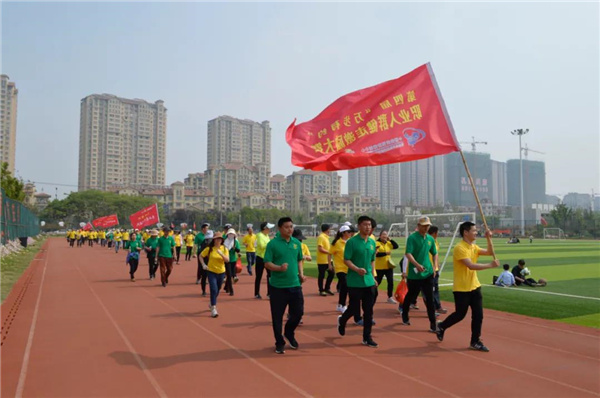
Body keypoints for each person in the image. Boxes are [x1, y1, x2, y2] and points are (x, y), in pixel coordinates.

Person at [436, 221, 500, 352]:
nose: (476, 232)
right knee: (460, 314)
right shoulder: (460, 248)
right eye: (474, 231)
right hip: (462, 288)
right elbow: (470, 265)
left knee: (478, 315)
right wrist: (490, 266)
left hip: (475, 286)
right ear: (466, 232)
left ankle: (475, 341)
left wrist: (489, 239)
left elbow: (489, 252)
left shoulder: (473, 247)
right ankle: (442, 326)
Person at [264, 217, 306, 354]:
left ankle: (288, 332)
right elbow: (267, 263)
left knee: (298, 313)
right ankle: (279, 342)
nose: (290, 229)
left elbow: (299, 259)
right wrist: (278, 268)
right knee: (277, 317)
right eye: (287, 227)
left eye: (291, 226)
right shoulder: (273, 244)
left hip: (295, 285)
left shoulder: (296, 243)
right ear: (280, 228)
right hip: (278, 287)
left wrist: (301, 274)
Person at [337, 215, 379, 348]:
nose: (368, 227)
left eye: (369, 225)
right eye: (365, 224)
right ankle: (342, 320)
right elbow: (346, 259)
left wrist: (373, 276)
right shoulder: (352, 242)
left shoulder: (372, 242)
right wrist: (356, 269)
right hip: (355, 281)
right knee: (354, 308)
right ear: (359, 226)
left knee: (368, 310)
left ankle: (367, 337)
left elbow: (372, 260)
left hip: (368, 281)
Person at [400, 216, 438, 332]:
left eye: (428, 226)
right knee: (411, 295)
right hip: (415, 274)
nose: (426, 228)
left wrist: (435, 266)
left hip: (428, 274)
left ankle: (433, 323)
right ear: (418, 226)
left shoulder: (430, 239)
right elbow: (408, 254)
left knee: (430, 298)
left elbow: (434, 253)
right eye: (424, 225)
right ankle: (405, 313)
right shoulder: (412, 238)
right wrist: (416, 264)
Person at [200, 231, 229, 318]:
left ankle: (211, 302)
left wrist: (222, 254)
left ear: (222, 240)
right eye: (216, 239)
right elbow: (200, 256)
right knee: (213, 289)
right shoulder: (209, 249)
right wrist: (203, 265)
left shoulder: (224, 249)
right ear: (214, 240)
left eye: (220, 239)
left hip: (221, 272)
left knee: (217, 289)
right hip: (211, 271)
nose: (218, 240)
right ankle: (213, 308)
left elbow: (227, 260)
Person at [330, 225, 355, 313]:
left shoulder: (351, 242)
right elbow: (330, 253)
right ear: (343, 233)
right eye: (348, 232)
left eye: (350, 232)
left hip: (349, 268)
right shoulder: (337, 243)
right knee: (345, 285)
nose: (350, 233)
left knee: (345, 287)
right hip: (340, 268)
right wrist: (330, 265)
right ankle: (343, 305)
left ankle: (340, 305)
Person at [375, 230, 399, 304]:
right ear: (380, 235)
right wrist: (385, 253)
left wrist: (390, 239)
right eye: (383, 235)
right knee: (377, 282)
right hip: (379, 267)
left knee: (390, 282)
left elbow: (396, 246)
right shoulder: (377, 243)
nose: (384, 236)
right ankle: (369, 295)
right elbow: (376, 254)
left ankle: (390, 297)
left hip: (388, 266)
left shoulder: (388, 243)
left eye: (386, 235)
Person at [429, 226, 447, 315]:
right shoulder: (427, 241)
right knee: (424, 291)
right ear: (435, 233)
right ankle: (403, 306)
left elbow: (436, 255)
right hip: (428, 270)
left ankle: (437, 307)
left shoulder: (435, 242)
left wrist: (436, 265)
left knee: (435, 289)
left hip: (435, 269)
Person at [255, 222, 274, 299]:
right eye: (268, 228)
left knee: (270, 276)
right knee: (259, 276)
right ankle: (256, 293)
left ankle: (269, 293)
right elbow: (262, 246)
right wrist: (270, 244)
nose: (269, 230)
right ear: (264, 228)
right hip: (260, 258)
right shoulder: (259, 235)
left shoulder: (267, 236)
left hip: (267, 258)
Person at [317, 224, 334, 296]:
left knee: (332, 273)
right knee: (322, 275)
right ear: (327, 229)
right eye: (329, 229)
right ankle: (321, 290)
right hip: (322, 260)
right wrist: (329, 252)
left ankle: (327, 288)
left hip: (329, 260)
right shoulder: (321, 237)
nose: (330, 230)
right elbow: (320, 248)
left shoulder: (326, 237)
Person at [223, 228, 241, 296]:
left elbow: (238, 250)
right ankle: (231, 290)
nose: (231, 235)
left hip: (233, 260)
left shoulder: (236, 242)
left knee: (229, 275)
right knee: (229, 275)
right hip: (227, 260)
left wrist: (235, 248)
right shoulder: (225, 241)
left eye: (232, 234)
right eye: (229, 234)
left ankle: (226, 287)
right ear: (227, 234)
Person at [195, 223, 210, 290]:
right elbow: (195, 244)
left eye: (208, 228)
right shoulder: (198, 236)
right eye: (206, 228)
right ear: (203, 229)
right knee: (200, 266)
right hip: (200, 252)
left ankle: (206, 278)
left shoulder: (209, 235)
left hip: (208, 253)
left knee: (207, 265)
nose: (207, 229)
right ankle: (198, 278)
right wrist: (194, 253)